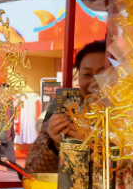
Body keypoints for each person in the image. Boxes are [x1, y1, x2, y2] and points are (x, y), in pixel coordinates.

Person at [25, 40, 106, 174]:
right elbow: (30, 172)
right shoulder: (64, 111)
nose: (94, 81)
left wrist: (89, 145)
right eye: (87, 74)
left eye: (102, 74)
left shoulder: (130, 117)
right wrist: (55, 147)